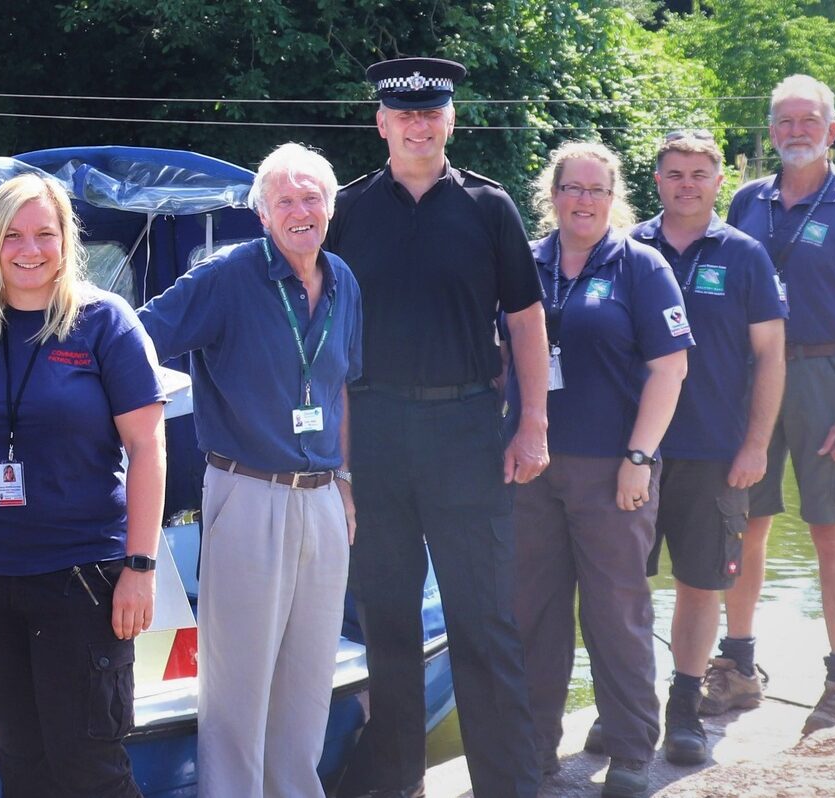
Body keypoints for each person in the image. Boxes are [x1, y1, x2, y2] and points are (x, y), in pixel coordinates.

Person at [325, 57, 549, 798]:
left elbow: (525, 318)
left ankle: (507, 786)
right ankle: (396, 783)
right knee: (388, 626)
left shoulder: (489, 208)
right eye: (404, 115)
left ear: (449, 120)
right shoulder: (349, 211)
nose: (419, 125)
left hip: (465, 430)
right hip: (379, 432)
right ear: (382, 123)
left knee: (484, 625)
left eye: (432, 113)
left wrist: (532, 426)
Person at [138, 142, 360, 797]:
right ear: (262, 214)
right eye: (285, 200)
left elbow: (343, 383)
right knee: (238, 683)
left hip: (322, 496)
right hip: (247, 492)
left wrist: (347, 482)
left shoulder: (343, 279)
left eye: (312, 197)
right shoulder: (228, 276)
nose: (300, 210)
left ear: (330, 207)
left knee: (309, 674)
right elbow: (136, 338)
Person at [0, 173, 168, 797]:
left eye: (45, 233)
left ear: (68, 241)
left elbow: (148, 448)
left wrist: (140, 567)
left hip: (83, 579)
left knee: (89, 766)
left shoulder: (105, 323)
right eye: (12, 235)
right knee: (21, 759)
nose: (29, 249)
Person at [510, 142, 691, 798]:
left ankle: (633, 752)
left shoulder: (640, 267)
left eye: (596, 189)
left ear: (614, 200)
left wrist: (639, 458)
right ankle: (532, 752)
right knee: (534, 614)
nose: (583, 200)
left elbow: (670, 369)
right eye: (571, 188)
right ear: (551, 195)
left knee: (616, 615)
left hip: (615, 472)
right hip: (529, 472)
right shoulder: (522, 265)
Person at [722, 74, 835, 734]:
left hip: (827, 372)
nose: (796, 130)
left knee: (831, 530)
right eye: (783, 121)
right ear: (770, 132)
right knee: (743, 520)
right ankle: (738, 668)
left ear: (831, 130)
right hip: (750, 380)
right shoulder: (746, 202)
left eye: (809, 120)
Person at [629, 130, 787, 765]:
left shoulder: (745, 255)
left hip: (714, 451)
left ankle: (685, 707)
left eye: (699, 174)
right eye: (674, 173)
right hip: (631, 452)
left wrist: (755, 445)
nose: (686, 184)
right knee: (623, 587)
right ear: (657, 180)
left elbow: (772, 356)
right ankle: (628, 706)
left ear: (718, 181)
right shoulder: (626, 246)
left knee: (699, 586)